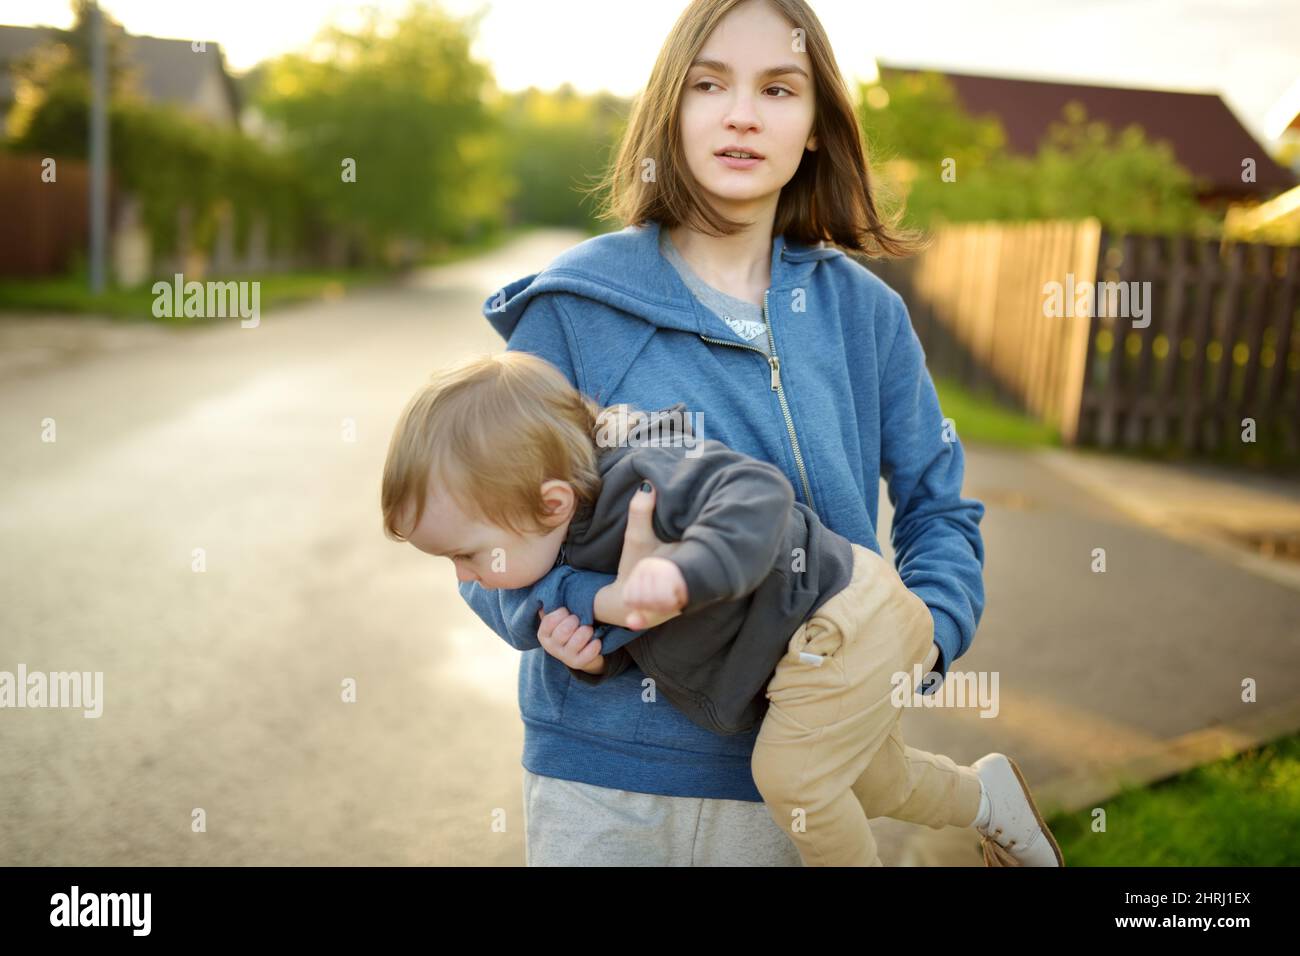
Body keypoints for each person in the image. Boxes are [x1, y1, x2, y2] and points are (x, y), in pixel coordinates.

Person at [455, 0, 997, 865]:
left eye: (779, 88)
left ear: (816, 126)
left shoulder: (869, 317)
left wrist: (922, 636)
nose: (742, 113)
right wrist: (557, 607)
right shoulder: (572, 310)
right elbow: (480, 532)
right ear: (671, 109)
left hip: (794, 785)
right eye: (710, 84)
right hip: (603, 781)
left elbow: (940, 506)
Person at [381, 351, 1065, 866]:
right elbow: (637, 636)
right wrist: (585, 655)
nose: (466, 578)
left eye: (468, 556)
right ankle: (987, 797)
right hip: (815, 658)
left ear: (551, 502)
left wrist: (683, 574)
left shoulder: (649, 468)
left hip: (846, 616)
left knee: (794, 782)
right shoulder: (560, 542)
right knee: (874, 784)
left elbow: (757, 499)